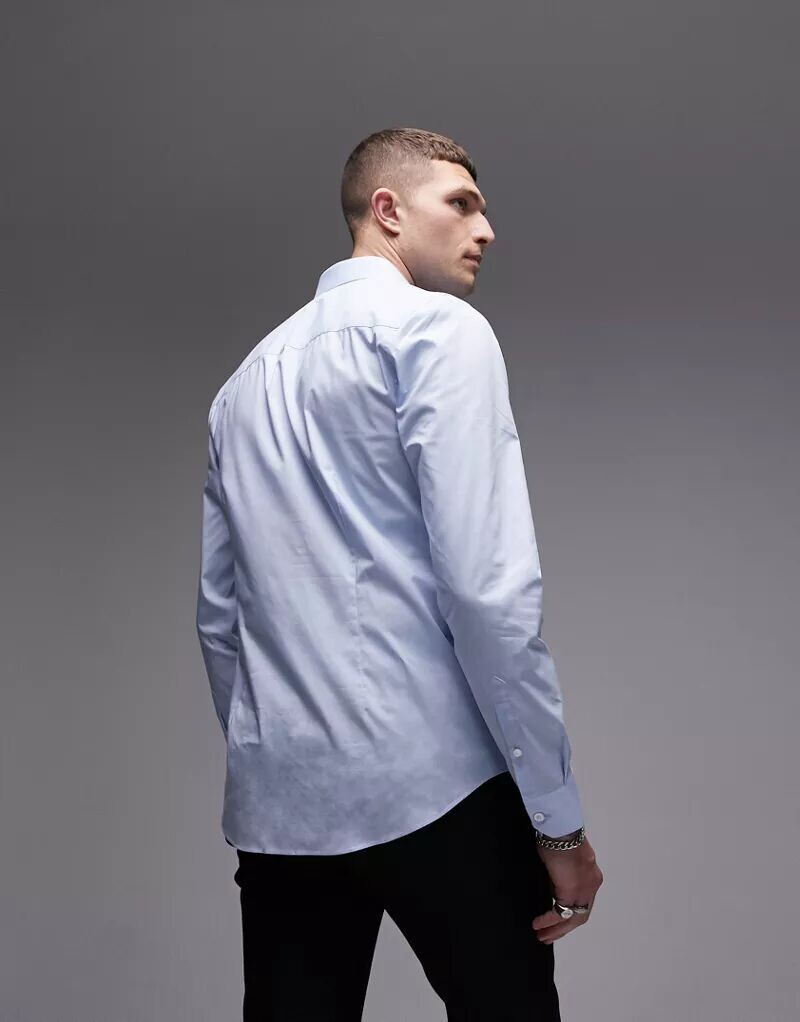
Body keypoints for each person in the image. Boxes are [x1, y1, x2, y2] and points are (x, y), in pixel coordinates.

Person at [195, 126, 603, 1021]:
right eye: (461, 204)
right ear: (386, 210)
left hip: (283, 810)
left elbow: (221, 621)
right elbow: (488, 596)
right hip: (439, 788)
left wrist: (282, 754)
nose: (485, 228)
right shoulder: (439, 332)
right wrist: (558, 821)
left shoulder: (241, 387)